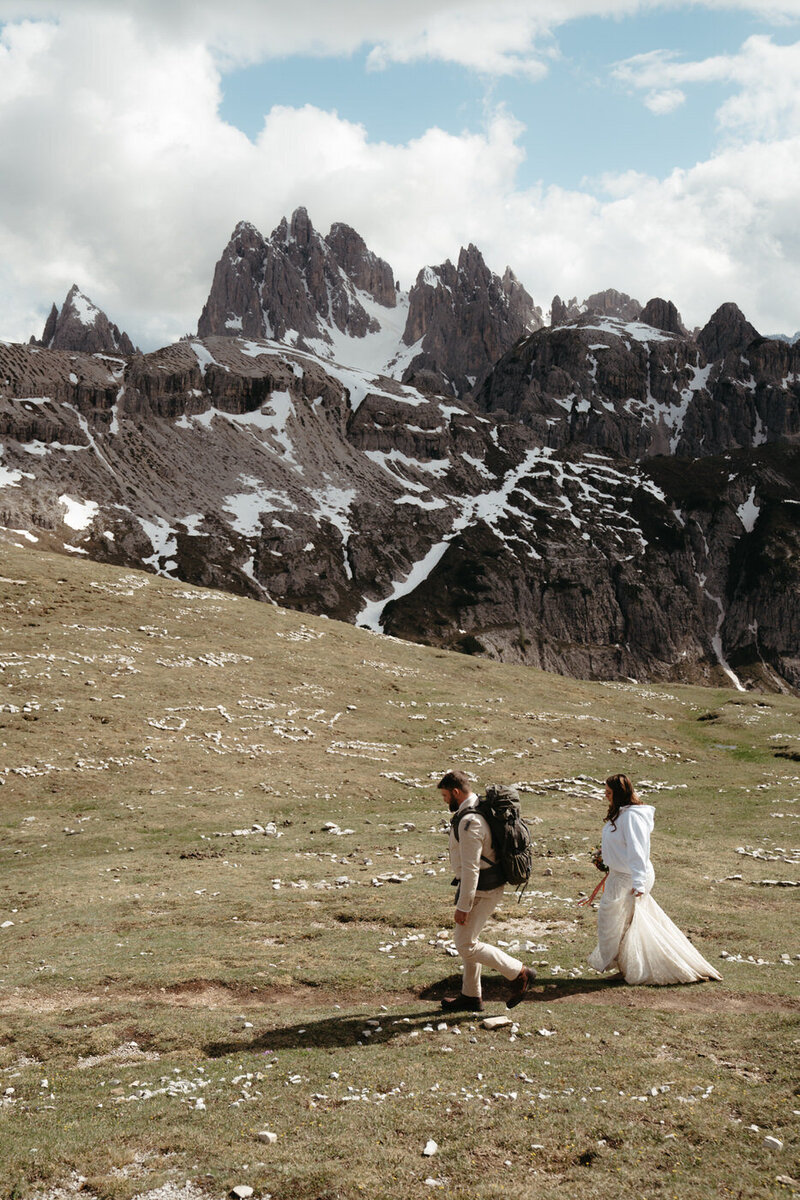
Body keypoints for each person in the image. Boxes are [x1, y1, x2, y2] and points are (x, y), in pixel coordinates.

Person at [586, 773, 722, 985]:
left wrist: (639, 883)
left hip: (630, 878)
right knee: (620, 923)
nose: (606, 797)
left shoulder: (632, 817)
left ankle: (642, 968)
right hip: (618, 876)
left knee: (620, 923)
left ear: (620, 794)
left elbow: (638, 851)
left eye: (609, 793)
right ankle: (627, 967)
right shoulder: (622, 814)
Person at [438, 769, 535, 1012]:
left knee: (465, 945)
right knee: (470, 940)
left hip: (482, 890)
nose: (444, 800)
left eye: (445, 795)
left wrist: (463, 906)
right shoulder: (474, 812)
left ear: (456, 792)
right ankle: (471, 995)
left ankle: (519, 973)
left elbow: (471, 869)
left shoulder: (471, 823)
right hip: (483, 887)